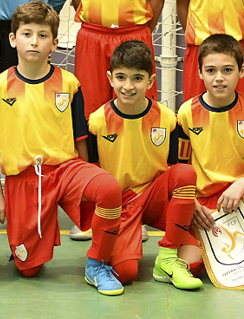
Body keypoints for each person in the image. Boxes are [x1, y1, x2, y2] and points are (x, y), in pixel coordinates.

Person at [0, 1, 125, 296]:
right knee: (28, 269)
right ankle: (15, 234)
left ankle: (97, 264)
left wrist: (88, 186)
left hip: (66, 170)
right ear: (13, 39)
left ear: (55, 43)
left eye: (43, 35)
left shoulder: (69, 84)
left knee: (107, 187)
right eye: (27, 34)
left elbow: (80, 139)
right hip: (25, 179)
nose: (34, 41)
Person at [85, 41, 201, 290]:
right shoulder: (97, 122)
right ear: (110, 78)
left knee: (196, 256)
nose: (128, 86)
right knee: (125, 273)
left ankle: (167, 259)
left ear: (150, 81)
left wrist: (193, 201)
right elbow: (90, 175)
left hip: (155, 196)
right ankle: (116, 246)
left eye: (137, 78)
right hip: (120, 203)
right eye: (121, 77)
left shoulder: (168, 119)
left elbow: (178, 170)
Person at [174, 34, 244, 279]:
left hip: (241, 198)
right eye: (211, 70)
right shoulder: (186, 113)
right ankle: (214, 242)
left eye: (227, 70)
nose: (219, 78)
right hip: (203, 206)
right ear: (200, 72)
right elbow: (178, 170)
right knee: (190, 267)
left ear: (242, 71)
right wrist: (191, 202)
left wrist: (242, 182)